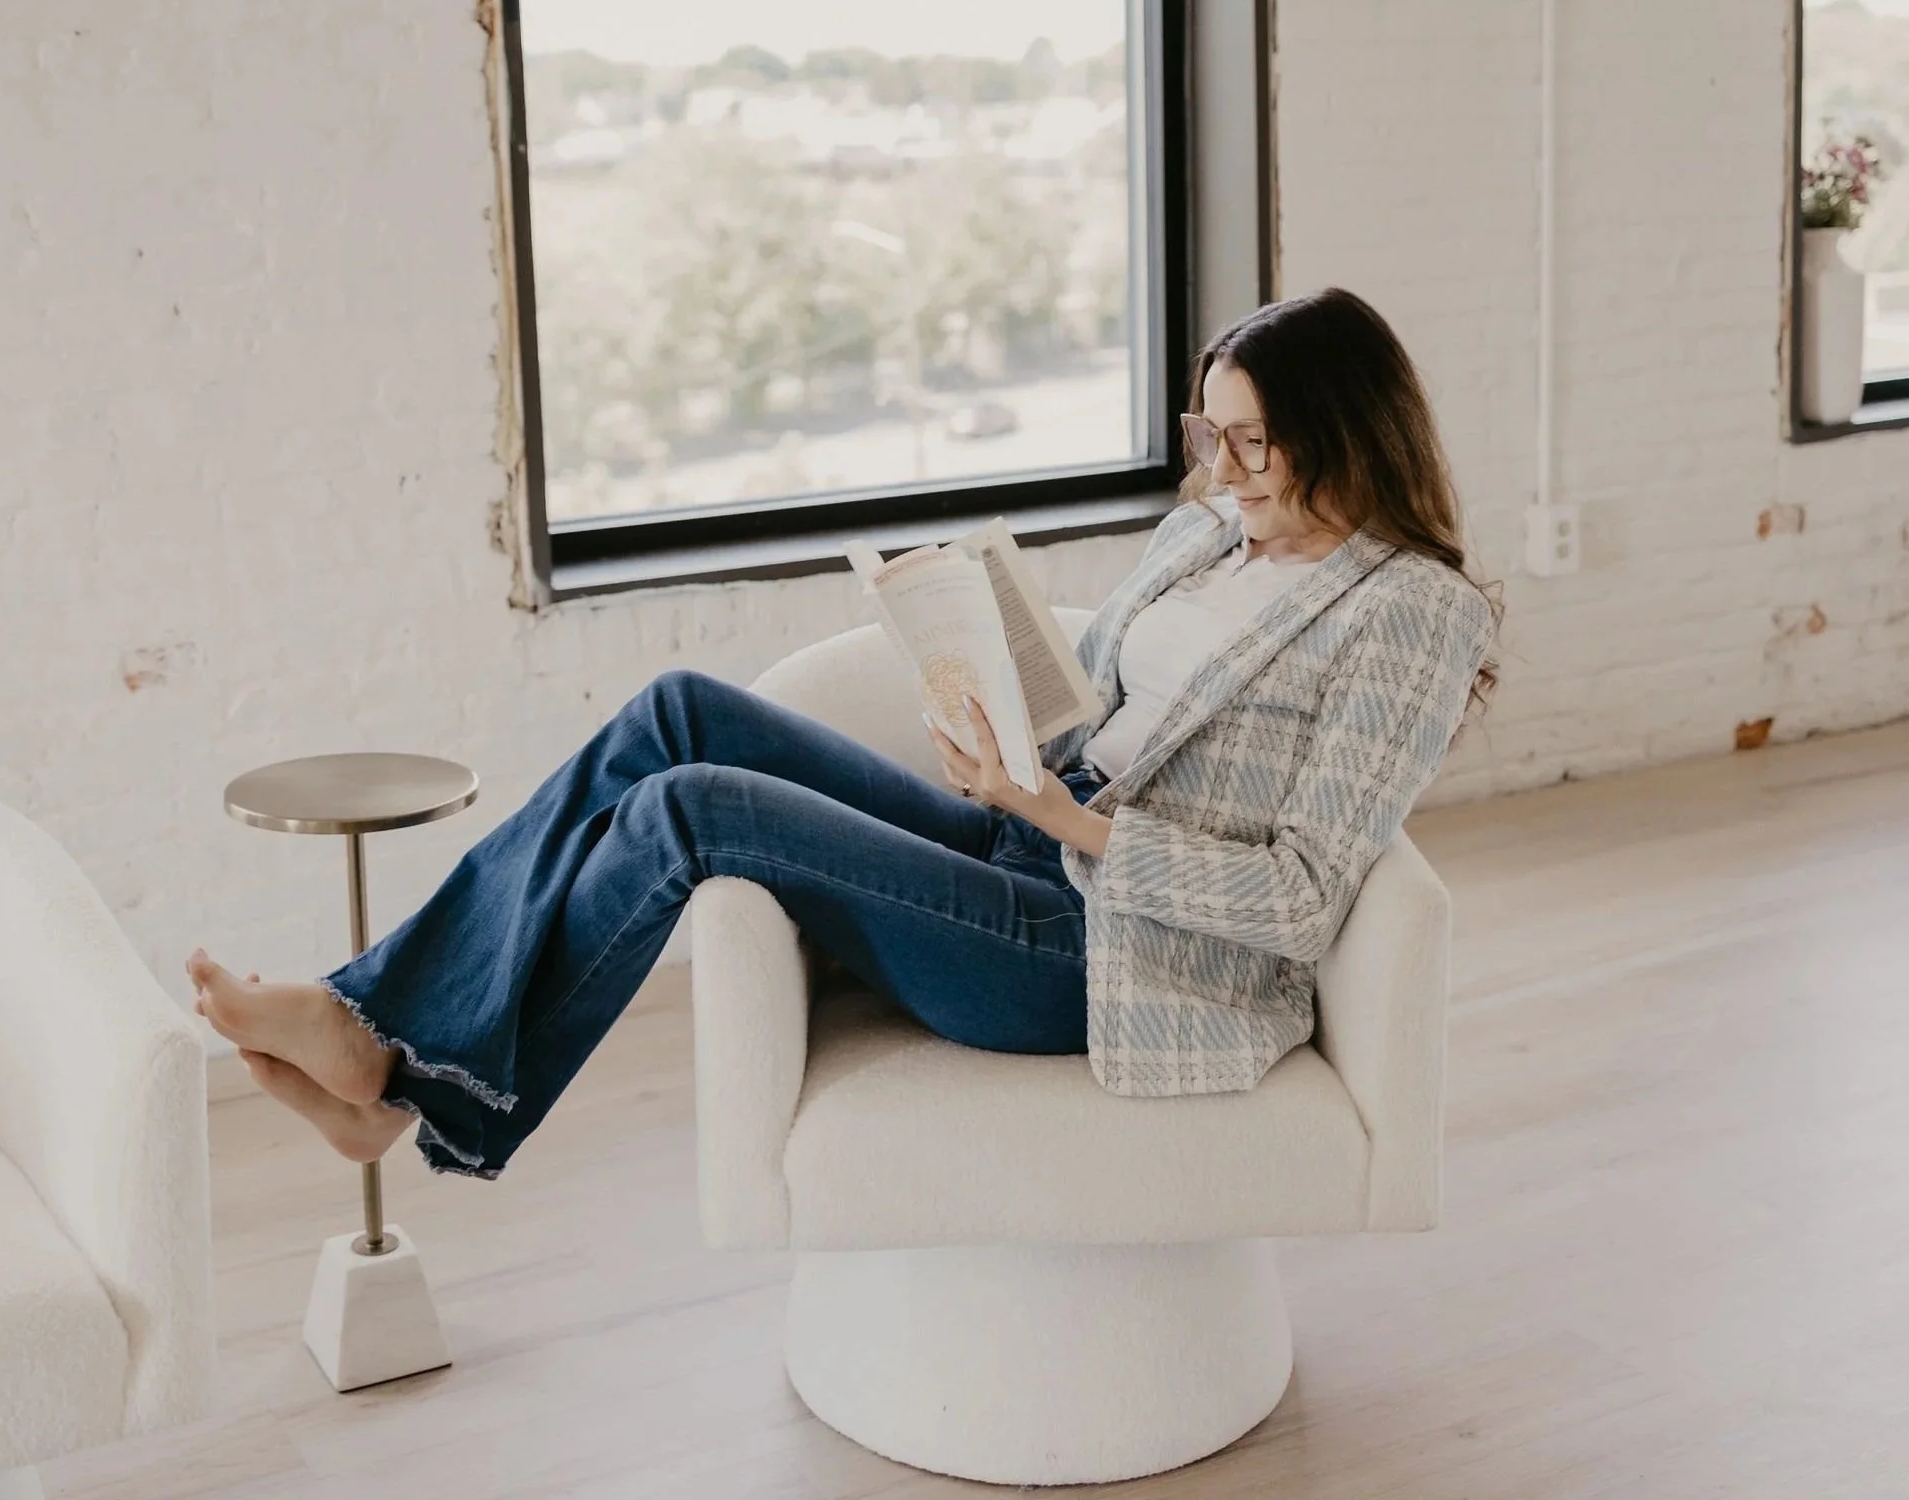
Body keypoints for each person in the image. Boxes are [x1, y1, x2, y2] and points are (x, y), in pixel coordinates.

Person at [190, 287, 1500, 1179]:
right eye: (1213, 434)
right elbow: (1109, 702)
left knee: (690, 810)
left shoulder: (1411, 615)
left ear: (1347, 433)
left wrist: (1062, 815)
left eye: (1258, 443)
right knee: (677, 713)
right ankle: (384, 1046)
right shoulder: (1211, 531)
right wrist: (1001, 706)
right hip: (1024, 845)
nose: (1225, 470)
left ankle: (413, 1082)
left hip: (1107, 959)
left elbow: (1301, 900)